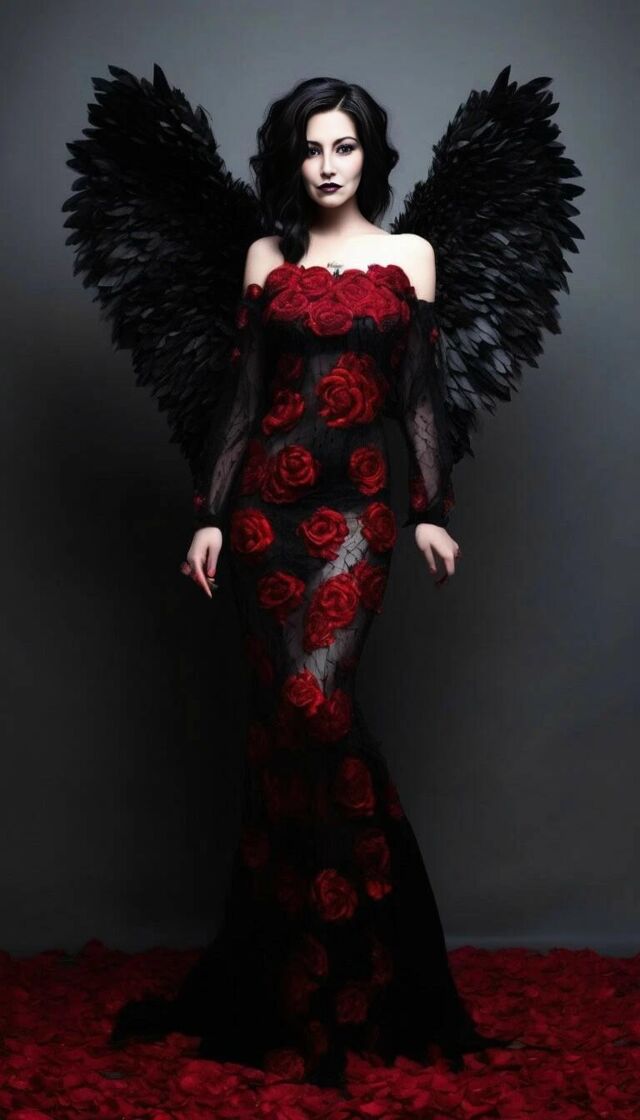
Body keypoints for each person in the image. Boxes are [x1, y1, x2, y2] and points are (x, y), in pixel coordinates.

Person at [108, 76, 538, 1089]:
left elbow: (420, 393)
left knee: (317, 706)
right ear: (292, 161)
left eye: (344, 145)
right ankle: (283, 974)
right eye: (311, 148)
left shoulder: (409, 256)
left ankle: (381, 964)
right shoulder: (267, 258)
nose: (328, 163)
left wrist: (430, 510)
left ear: (370, 155)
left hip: (357, 514)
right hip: (266, 511)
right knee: (281, 733)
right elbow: (243, 396)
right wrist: (210, 515)